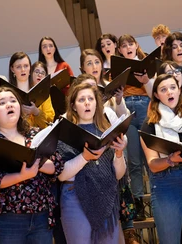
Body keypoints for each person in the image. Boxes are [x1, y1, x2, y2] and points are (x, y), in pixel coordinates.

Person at [0, 87, 63, 243]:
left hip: (41, 216)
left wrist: (35, 163)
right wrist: (22, 176)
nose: (9, 105)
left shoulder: (35, 134)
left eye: (13, 101)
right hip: (5, 219)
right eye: (2, 103)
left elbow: (57, 165)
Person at [56, 82, 127, 244]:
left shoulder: (108, 130)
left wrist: (119, 152)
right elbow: (62, 175)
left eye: (91, 99)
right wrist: (85, 157)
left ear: (97, 103)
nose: (87, 103)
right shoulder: (66, 132)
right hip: (74, 197)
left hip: (106, 195)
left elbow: (118, 174)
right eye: (82, 100)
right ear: (73, 106)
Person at [140, 74, 182, 244]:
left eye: (173, 87)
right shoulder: (150, 123)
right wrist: (170, 159)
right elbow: (152, 164)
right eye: (163, 90)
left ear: (179, 90)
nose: (169, 92)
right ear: (157, 95)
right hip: (166, 183)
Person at [117, 34, 154, 221]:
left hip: (146, 105)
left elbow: (154, 93)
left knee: (151, 156)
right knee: (133, 160)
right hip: (127, 109)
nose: (128, 47)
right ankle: (139, 202)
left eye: (130, 43)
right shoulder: (118, 69)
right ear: (120, 50)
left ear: (136, 45)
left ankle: (156, 199)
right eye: (123, 46)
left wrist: (146, 80)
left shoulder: (146, 61)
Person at [79, 49, 129, 118]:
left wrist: (119, 100)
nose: (94, 67)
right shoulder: (80, 90)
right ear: (83, 68)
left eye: (97, 62)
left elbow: (124, 116)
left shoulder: (110, 85)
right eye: (89, 63)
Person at [26, 61, 55, 129]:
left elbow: (50, 118)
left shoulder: (45, 95)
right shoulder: (24, 90)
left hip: (41, 131)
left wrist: (37, 112)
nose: (40, 75)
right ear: (30, 73)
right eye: (37, 72)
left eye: (43, 73)